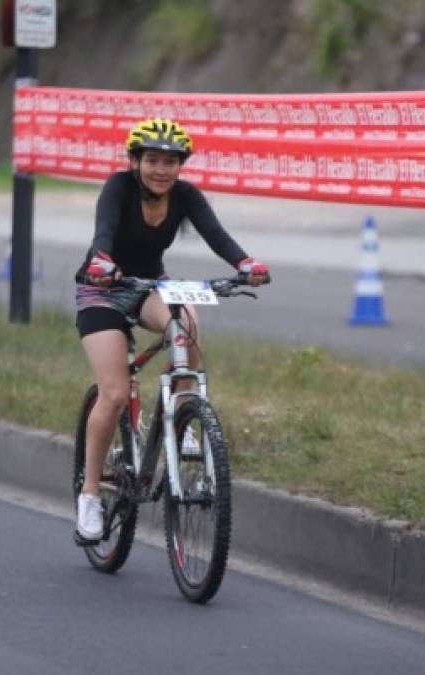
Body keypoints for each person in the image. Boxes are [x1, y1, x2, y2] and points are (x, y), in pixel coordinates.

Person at [73, 118, 270, 542]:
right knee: (112, 392)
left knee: (187, 322)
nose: (161, 170)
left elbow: (217, 235)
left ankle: (182, 421)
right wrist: (102, 262)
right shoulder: (118, 188)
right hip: (102, 290)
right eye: (152, 161)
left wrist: (245, 265)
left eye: (170, 162)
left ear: (181, 165)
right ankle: (90, 494)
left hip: (148, 287)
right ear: (135, 161)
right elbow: (104, 230)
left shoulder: (185, 196)